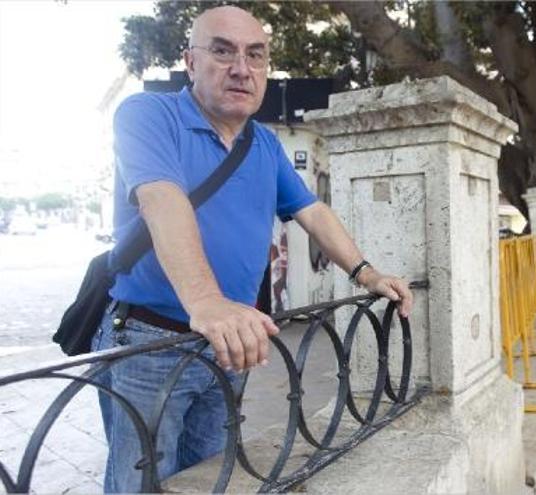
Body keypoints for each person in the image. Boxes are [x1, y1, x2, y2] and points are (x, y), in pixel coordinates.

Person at [91, 6, 413, 492]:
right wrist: (207, 302)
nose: (241, 68)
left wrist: (366, 273)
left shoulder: (262, 142)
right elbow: (162, 199)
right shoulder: (147, 114)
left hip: (230, 342)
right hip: (148, 340)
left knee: (212, 475)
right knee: (140, 484)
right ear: (191, 61)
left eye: (255, 55)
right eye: (222, 51)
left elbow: (312, 212)